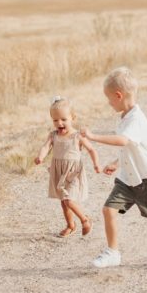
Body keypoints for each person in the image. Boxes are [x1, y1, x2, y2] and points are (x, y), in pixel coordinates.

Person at [80, 66, 147, 270]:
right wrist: (116, 163)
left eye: (109, 99)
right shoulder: (126, 117)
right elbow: (130, 146)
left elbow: (122, 140)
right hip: (127, 179)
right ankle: (113, 252)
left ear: (119, 95)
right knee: (109, 209)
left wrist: (93, 137)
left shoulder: (137, 119)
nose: (109, 103)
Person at [35, 96, 101, 236]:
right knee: (63, 202)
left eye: (64, 119)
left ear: (72, 117)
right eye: (55, 120)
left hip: (73, 173)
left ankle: (85, 220)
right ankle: (70, 225)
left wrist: (96, 164)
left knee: (68, 200)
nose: (59, 123)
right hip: (59, 172)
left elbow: (91, 149)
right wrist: (40, 157)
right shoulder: (53, 135)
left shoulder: (77, 136)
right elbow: (46, 147)